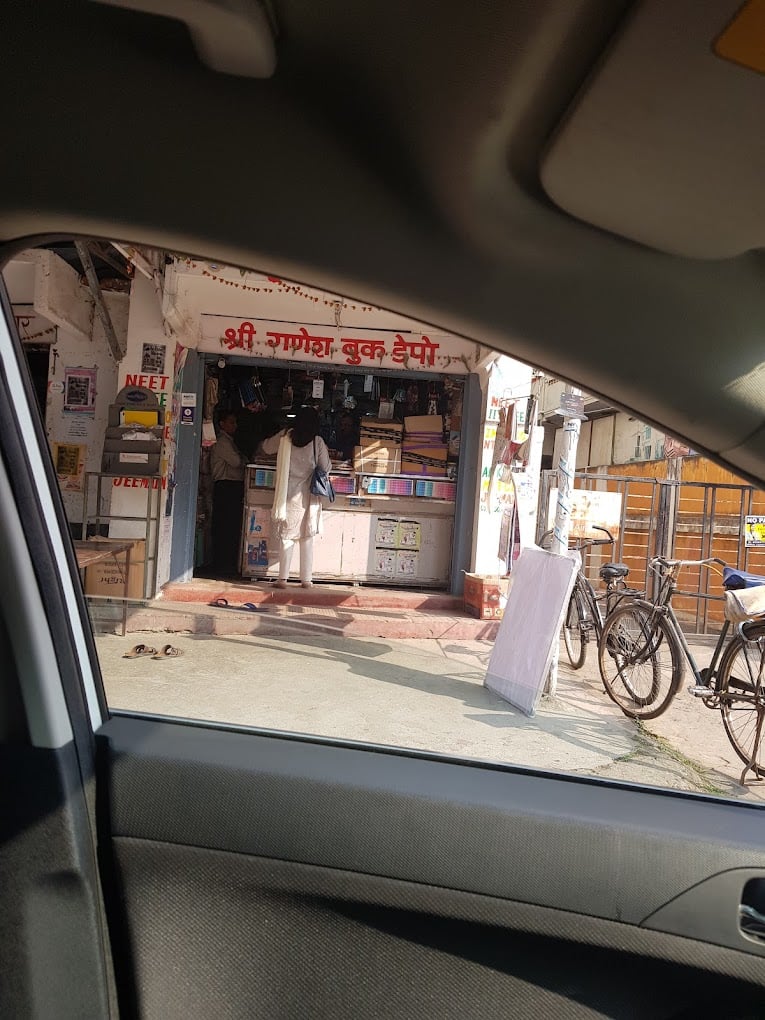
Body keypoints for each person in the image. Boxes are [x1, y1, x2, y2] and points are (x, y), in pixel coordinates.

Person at [260, 405, 331, 588]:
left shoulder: (285, 437)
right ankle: (306, 580)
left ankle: (282, 578)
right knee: (307, 536)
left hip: (288, 492)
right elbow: (325, 467)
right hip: (309, 494)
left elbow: (266, 448)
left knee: (287, 536)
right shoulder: (317, 442)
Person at [210, 411, 246, 577]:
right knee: (225, 527)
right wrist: (243, 459)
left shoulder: (229, 441)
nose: (235, 426)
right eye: (231, 422)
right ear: (222, 424)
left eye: (235, 422)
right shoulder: (222, 442)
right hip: (226, 487)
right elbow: (237, 462)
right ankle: (221, 565)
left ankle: (225, 563)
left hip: (230, 488)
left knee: (229, 528)